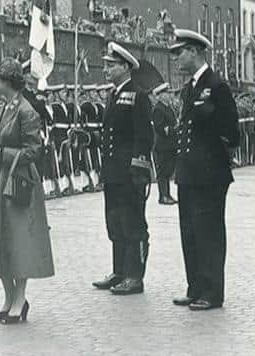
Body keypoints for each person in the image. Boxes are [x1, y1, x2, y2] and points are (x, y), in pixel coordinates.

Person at [0, 57, 54, 324]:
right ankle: (8, 299)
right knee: (0, 240)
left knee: (19, 242)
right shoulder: (6, 107)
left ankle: (19, 300)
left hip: (18, 182)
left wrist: (2, 154)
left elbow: (33, 150)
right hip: (1, 180)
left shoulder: (26, 111)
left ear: (7, 81)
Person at [170, 29, 239, 311]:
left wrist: (215, 155)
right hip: (188, 172)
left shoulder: (217, 85)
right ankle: (195, 286)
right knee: (189, 231)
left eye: (181, 52)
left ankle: (212, 292)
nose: (176, 58)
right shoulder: (190, 88)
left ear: (196, 51)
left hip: (209, 173)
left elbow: (231, 132)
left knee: (208, 231)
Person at [92, 42, 154, 295]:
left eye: (112, 64)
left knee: (133, 225)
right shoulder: (113, 95)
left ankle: (135, 276)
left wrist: (139, 169)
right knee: (115, 223)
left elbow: (144, 136)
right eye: (106, 64)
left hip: (129, 173)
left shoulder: (138, 95)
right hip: (113, 172)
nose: (106, 69)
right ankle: (119, 271)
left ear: (126, 67)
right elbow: (111, 134)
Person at [150, 82, 178, 205]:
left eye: (169, 93)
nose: (169, 95)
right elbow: (160, 128)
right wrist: (175, 129)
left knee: (168, 170)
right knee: (163, 172)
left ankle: (167, 194)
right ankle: (163, 196)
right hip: (163, 145)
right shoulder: (158, 109)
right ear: (160, 95)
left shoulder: (168, 107)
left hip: (170, 144)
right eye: (167, 93)